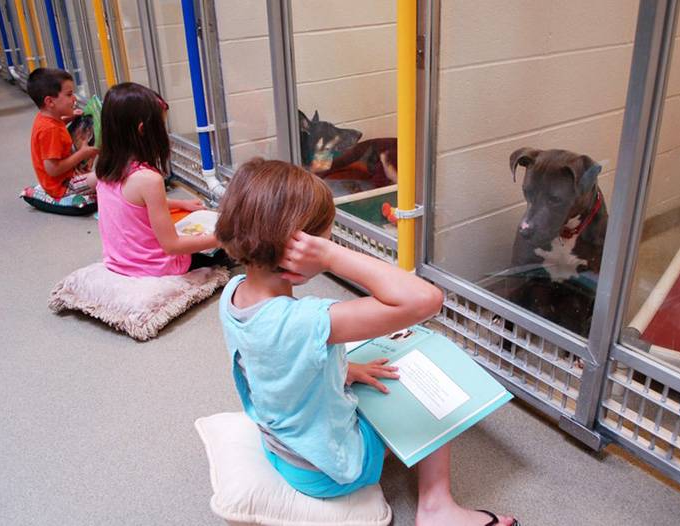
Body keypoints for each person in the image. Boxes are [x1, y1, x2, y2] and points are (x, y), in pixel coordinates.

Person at [215, 158, 520, 526]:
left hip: (281, 448)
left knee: (374, 365)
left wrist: (345, 371)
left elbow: (275, 363)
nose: (330, 243)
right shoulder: (308, 321)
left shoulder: (233, 293)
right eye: (326, 238)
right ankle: (437, 507)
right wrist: (332, 257)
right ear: (300, 247)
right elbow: (425, 300)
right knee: (431, 387)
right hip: (328, 470)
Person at [95, 82, 220, 277]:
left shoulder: (104, 167)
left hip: (120, 262)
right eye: (161, 126)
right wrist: (222, 238)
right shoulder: (148, 179)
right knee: (226, 250)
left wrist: (181, 203)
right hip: (155, 268)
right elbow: (172, 246)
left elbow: (134, 205)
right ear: (143, 130)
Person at [27, 68, 98, 202]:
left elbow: (56, 129)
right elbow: (53, 170)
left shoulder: (47, 118)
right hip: (63, 185)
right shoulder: (49, 129)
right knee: (103, 178)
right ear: (50, 102)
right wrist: (82, 154)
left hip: (67, 174)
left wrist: (68, 119)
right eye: (69, 94)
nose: (74, 98)